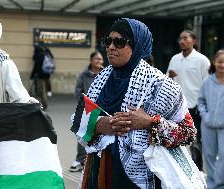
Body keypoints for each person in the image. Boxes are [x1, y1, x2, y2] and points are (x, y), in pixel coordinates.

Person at [71, 18, 196, 189]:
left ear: (137, 45)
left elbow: (188, 132)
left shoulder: (160, 85)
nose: (111, 47)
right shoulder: (101, 79)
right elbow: (79, 119)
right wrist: (100, 124)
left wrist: (150, 123)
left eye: (119, 42)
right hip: (100, 170)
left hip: (141, 176)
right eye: (108, 41)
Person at [167, 30, 210, 171]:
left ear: (194, 41)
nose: (182, 41)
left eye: (185, 38)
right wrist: (170, 76)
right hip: (178, 107)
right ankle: (183, 169)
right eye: (180, 38)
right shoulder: (174, 59)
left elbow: (208, 83)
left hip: (196, 106)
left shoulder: (202, 60)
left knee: (198, 140)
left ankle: (199, 169)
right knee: (179, 139)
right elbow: (167, 81)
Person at [69, 51, 104, 172]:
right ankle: (80, 160)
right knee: (83, 134)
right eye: (96, 59)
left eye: (101, 59)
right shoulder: (83, 75)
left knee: (100, 136)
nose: (99, 61)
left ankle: (94, 162)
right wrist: (85, 103)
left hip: (102, 110)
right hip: (86, 109)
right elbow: (78, 92)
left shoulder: (106, 73)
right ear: (91, 61)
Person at [198, 49, 224, 189]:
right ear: (214, 62)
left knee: (223, 156)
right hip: (207, 125)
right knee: (209, 156)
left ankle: (220, 184)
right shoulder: (207, 81)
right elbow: (201, 101)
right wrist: (206, 116)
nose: (222, 65)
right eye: (220, 62)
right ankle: (211, 184)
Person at [30, 43, 55, 110]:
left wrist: (32, 76)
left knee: (41, 91)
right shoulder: (45, 54)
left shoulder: (39, 56)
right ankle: (47, 96)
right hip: (46, 74)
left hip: (40, 76)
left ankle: (45, 105)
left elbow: (36, 67)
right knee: (44, 89)